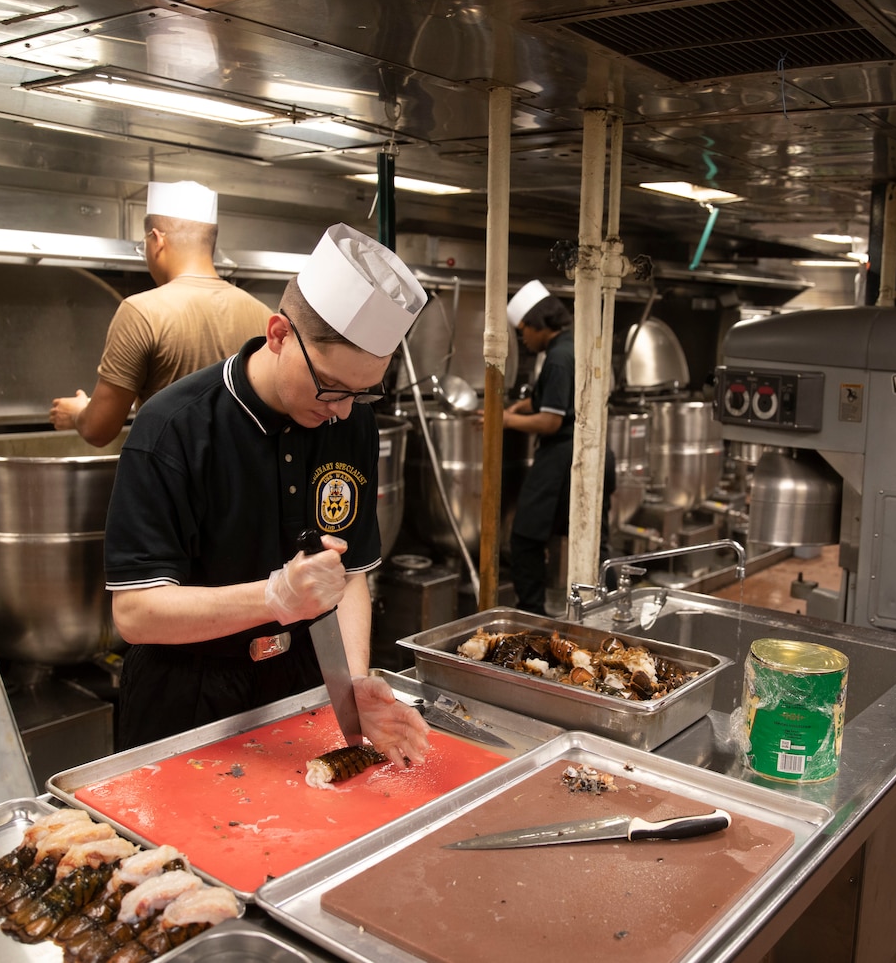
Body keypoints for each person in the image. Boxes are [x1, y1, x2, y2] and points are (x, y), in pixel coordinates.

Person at [103, 223, 430, 762]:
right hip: (186, 701)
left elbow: (347, 577)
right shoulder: (173, 429)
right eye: (331, 386)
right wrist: (273, 598)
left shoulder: (352, 424)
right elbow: (136, 612)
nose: (342, 409)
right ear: (279, 334)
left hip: (299, 690)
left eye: (361, 393)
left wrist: (350, 684)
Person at [51, 180, 272, 446]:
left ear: (156, 241)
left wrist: (77, 413)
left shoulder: (141, 312)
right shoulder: (262, 315)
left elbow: (99, 429)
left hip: (173, 484)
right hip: (241, 482)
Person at [500, 281, 577, 616]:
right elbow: (549, 398)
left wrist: (503, 420)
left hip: (562, 453)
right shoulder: (571, 346)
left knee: (526, 537)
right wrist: (520, 406)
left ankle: (531, 613)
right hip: (578, 453)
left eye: (523, 331)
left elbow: (551, 421)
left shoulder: (558, 358)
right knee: (585, 536)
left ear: (536, 324)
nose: (524, 339)